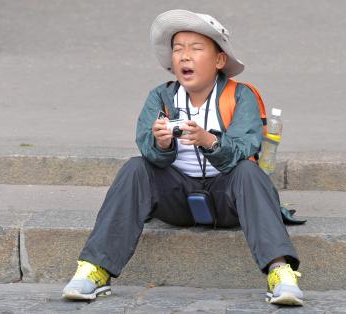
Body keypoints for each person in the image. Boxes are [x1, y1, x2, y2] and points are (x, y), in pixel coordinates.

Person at [62, 9, 304, 306]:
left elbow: (245, 147)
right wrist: (161, 145)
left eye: (196, 48)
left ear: (218, 60)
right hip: (174, 197)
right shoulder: (161, 98)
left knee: (249, 173)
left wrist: (210, 141)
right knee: (136, 167)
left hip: (228, 197)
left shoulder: (241, 96)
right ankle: (94, 269)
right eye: (178, 50)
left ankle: (280, 271)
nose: (184, 57)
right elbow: (146, 147)